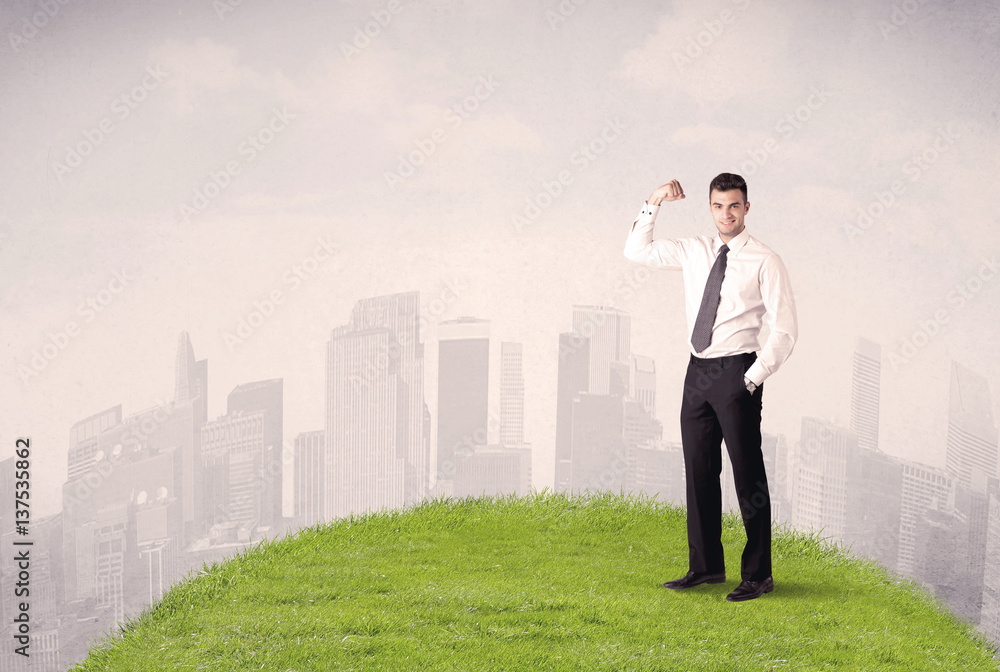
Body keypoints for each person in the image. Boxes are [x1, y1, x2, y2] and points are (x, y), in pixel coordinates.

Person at [623, 173, 797, 602]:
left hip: (737, 372)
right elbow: (636, 250)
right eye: (718, 206)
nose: (726, 214)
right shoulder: (694, 249)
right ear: (710, 207)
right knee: (699, 472)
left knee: (747, 476)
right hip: (696, 371)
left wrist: (752, 379)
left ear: (746, 208)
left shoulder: (764, 260)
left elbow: (786, 329)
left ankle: (758, 575)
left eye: (734, 206)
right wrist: (654, 200)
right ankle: (705, 567)